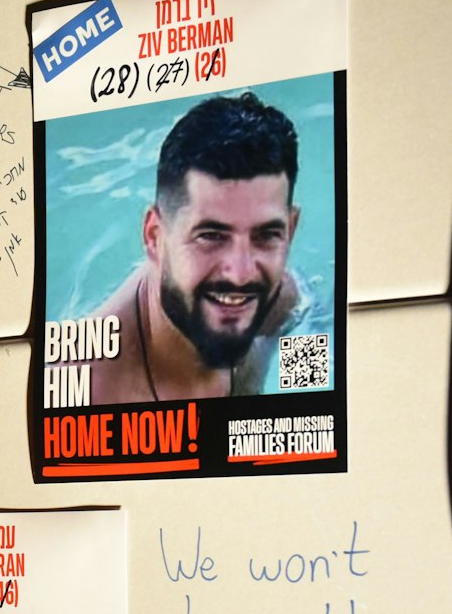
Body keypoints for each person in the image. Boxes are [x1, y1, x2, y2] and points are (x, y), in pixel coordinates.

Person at [85, 92, 302, 404]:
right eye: (211, 235)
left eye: (266, 235)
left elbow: (313, 406)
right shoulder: (93, 393)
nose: (241, 275)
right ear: (154, 236)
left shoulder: (282, 305)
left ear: (290, 230)